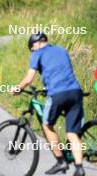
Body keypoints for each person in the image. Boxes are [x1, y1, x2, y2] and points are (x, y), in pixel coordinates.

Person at [11, 32, 85, 176]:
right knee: (72, 133)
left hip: (58, 93)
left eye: (32, 48)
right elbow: (63, 71)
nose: (32, 51)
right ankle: (79, 167)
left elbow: (29, 79)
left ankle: (60, 161)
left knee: (47, 125)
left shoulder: (37, 54)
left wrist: (18, 88)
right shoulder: (61, 50)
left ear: (36, 44)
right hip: (75, 91)